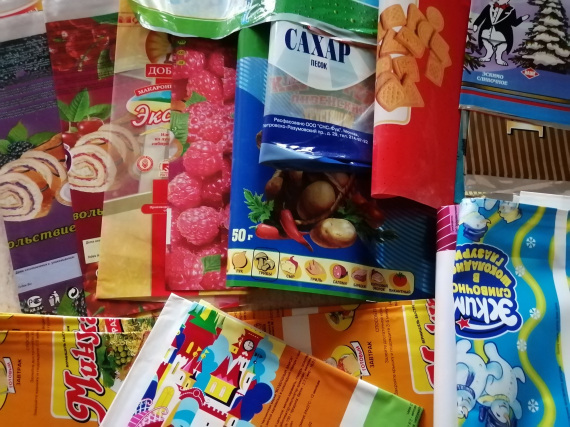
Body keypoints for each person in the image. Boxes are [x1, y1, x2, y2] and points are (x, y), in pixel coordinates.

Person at [473, 0, 529, 66]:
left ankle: (499, 59)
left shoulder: (511, 10)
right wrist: (476, 24)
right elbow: (482, 16)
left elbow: (514, 23)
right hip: (487, 32)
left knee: (501, 47)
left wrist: (521, 19)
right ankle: (487, 56)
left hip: (502, 35)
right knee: (487, 45)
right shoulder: (489, 6)